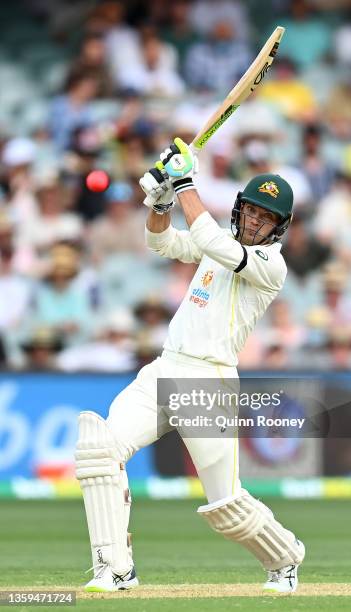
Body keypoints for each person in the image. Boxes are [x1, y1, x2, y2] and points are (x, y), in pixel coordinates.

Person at [75, 138, 305, 593]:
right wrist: (159, 201)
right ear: (240, 209)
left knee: (224, 505)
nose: (256, 221)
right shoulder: (216, 241)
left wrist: (182, 182)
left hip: (208, 380)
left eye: (267, 217)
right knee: (100, 451)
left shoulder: (267, 264)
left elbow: (207, 238)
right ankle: (115, 569)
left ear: (278, 228)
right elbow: (160, 242)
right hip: (165, 367)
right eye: (252, 211)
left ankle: (285, 558)